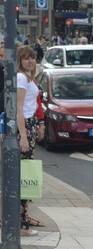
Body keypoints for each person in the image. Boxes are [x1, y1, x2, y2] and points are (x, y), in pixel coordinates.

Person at [16, 46, 44, 236]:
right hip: (25, 126)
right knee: (23, 178)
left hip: (30, 125)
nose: (30, 61)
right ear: (19, 60)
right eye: (26, 58)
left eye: (32, 58)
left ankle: (23, 221)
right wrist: (24, 136)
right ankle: (20, 225)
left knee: (24, 177)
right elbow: (18, 108)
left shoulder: (27, 76)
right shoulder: (20, 77)